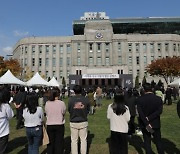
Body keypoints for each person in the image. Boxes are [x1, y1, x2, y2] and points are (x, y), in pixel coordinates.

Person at [136, 83, 164, 154]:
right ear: (152, 89)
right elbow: (159, 111)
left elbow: (141, 114)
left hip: (146, 124)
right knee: (158, 141)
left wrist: (147, 121)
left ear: (144, 90)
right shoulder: (158, 99)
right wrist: (149, 118)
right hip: (155, 123)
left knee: (147, 142)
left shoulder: (140, 99)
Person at [68, 85, 90, 154]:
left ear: (74, 91)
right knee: (83, 140)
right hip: (83, 120)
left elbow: (69, 110)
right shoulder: (85, 99)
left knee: (74, 140)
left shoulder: (71, 100)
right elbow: (88, 110)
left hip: (74, 120)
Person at [107, 89, 130, 154]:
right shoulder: (126, 108)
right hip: (123, 130)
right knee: (123, 148)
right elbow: (128, 119)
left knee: (114, 148)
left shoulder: (110, 107)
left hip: (114, 129)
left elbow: (108, 117)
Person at [45, 89, 66, 154]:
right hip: (59, 124)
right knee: (59, 143)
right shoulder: (61, 103)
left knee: (50, 142)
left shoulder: (47, 103)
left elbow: (46, 112)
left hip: (50, 124)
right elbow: (63, 112)